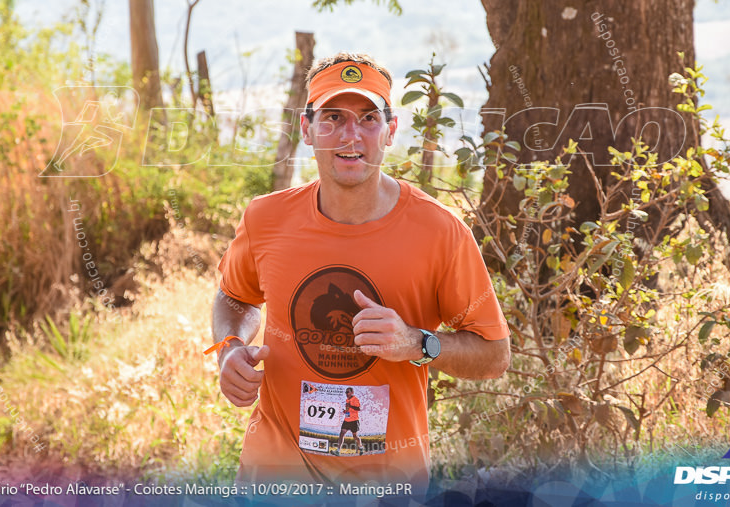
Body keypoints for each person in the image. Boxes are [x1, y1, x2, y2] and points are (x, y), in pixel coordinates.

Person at [209, 52, 510, 492]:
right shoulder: (265, 219)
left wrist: (415, 342)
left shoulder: (441, 232)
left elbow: (494, 356)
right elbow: (236, 297)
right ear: (307, 129)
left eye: (368, 118)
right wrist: (230, 347)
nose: (351, 135)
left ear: (390, 131)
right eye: (332, 117)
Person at [334, 387, 364, 456]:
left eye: (348, 392)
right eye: (346, 392)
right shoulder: (347, 400)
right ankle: (338, 451)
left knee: (355, 436)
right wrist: (345, 411)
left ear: (352, 392)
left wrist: (350, 406)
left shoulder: (355, 399)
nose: (346, 394)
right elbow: (348, 410)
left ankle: (361, 447)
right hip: (347, 420)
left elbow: (358, 408)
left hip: (354, 420)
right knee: (341, 434)